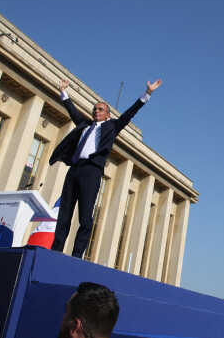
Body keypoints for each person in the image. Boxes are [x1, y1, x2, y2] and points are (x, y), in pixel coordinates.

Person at [49, 78, 163, 258]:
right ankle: (55, 250)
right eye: (95, 109)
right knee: (64, 212)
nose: (96, 111)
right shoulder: (85, 124)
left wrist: (147, 93)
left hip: (92, 171)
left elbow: (129, 113)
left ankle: (77, 255)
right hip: (75, 170)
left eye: (100, 109)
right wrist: (63, 92)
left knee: (85, 215)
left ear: (107, 115)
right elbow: (72, 111)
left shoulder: (112, 127)